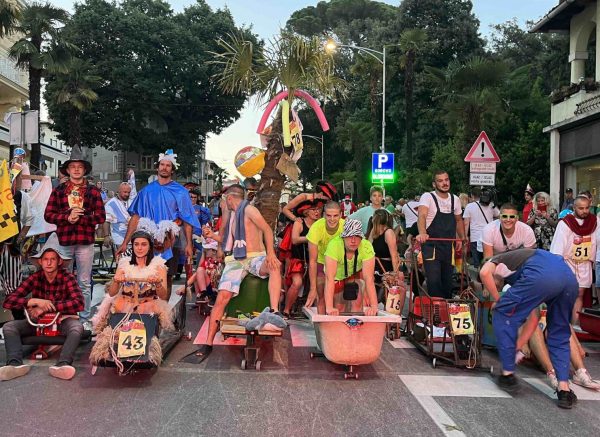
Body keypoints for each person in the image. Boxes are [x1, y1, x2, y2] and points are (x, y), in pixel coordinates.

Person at [479, 249, 578, 409]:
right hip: (568, 278)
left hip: (544, 274)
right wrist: (517, 347)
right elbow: (533, 319)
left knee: (501, 313)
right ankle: (564, 390)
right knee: (559, 333)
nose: (493, 285)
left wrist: (498, 300)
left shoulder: (498, 260)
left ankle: (507, 376)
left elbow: (484, 273)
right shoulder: (522, 271)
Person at [193, 184, 282, 361]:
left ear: (229, 198)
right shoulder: (234, 216)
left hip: (256, 257)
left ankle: (274, 311)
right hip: (236, 260)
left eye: (224, 200)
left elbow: (267, 229)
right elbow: (228, 240)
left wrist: (271, 254)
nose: (223, 204)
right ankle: (208, 342)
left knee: (274, 266)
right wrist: (211, 235)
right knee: (221, 298)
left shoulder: (249, 210)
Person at [0, 234, 84, 381]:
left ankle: (63, 364)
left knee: (76, 328)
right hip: (38, 322)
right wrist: (32, 301)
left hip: (60, 321)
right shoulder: (35, 277)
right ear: (40, 261)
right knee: (9, 327)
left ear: (59, 261)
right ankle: (14, 364)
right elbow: (9, 301)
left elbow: (79, 303)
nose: (49, 263)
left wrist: (47, 306)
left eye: (53, 259)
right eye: (45, 259)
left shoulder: (67, 277)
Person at [117, 150, 200, 297]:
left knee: (166, 277)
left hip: (171, 239)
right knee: (145, 276)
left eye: (168, 165)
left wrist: (189, 244)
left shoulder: (181, 192)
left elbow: (187, 219)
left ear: (172, 170)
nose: (164, 168)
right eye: (162, 165)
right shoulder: (146, 191)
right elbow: (135, 217)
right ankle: (148, 307)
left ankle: (163, 309)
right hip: (148, 240)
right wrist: (125, 242)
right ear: (157, 167)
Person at [90, 230, 172, 367]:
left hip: (147, 303)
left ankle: (146, 351)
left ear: (150, 247)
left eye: (144, 244)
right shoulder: (124, 264)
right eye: (136, 244)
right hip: (125, 302)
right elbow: (112, 293)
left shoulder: (159, 266)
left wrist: (157, 283)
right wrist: (116, 281)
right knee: (113, 325)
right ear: (132, 246)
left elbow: (163, 296)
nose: (139, 248)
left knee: (146, 323)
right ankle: (109, 351)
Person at [44, 146, 106, 328]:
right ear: (68, 170)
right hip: (64, 241)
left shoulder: (93, 191)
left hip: (85, 241)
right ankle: (65, 317)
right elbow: (48, 215)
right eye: (73, 167)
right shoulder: (59, 190)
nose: (76, 170)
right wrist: (66, 218)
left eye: (80, 167)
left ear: (84, 170)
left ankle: (85, 320)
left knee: (84, 282)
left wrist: (81, 219)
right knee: (63, 280)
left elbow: (101, 217)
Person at [416, 171, 465, 299]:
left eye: (446, 180)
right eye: (440, 181)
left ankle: (447, 307)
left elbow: (459, 220)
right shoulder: (428, 197)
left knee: (447, 281)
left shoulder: (455, 199)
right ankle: (436, 308)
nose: (444, 183)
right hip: (431, 245)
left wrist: (461, 238)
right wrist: (422, 233)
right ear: (434, 184)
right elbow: (422, 215)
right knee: (434, 280)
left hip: (448, 246)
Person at [550, 195, 598, 325]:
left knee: (580, 294)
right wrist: (557, 265)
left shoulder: (594, 222)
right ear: (574, 208)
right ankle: (562, 324)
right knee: (566, 294)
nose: (585, 211)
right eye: (581, 208)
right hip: (568, 262)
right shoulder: (565, 223)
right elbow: (558, 245)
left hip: (584, 263)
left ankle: (575, 324)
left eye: (587, 208)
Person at [324, 219, 378, 316]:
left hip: (355, 273)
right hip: (336, 277)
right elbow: (330, 279)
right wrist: (329, 307)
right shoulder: (334, 245)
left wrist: (374, 306)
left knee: (358, 303)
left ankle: (356, 322)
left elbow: (369, 279)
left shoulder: (366, 246)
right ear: (343, 237)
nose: (353, 241)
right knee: (338, 307)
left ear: (361, 238)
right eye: (350, 236)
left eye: (357, 236)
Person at [282, 200, 321, 318]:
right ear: (306, 211)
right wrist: (311, 238)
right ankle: (286, 310)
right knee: (297, 283)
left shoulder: (320, 224)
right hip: (298, 260)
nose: (317, 212)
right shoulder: (299, 222)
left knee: (320, 284)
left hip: (315, 260)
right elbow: (294, 239)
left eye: (318, 209)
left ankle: (315, 311)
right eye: (313, 209)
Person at [304, 201, 345, 314]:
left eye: (335, 215)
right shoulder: (316, 228)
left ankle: (337, 322)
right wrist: (312, 289)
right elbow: (312, 261)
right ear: (324, 215)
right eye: (329, 215)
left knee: (339, 297)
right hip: (322, 262)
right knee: (320, 293)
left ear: (341, 215)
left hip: (339, 263)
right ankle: (321, 321)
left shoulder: (346, 226)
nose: (332, 219)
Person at [463, 187, 499, 267]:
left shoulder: (469, 206)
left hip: (475, 238)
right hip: (489, 237)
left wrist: (465, 236)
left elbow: (466, 223)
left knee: (478, 264)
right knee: (489, 262)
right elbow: (499, 216)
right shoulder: (491, 205)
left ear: (472, 195)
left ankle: (479, 274)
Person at [366, 209, 400, 288]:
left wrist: (395, 274)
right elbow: (368, 249)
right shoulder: (375, 231)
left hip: (383, 267)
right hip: (377, 265)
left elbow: (394, 255)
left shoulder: (387, 232)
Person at [104, 182, 133, 249]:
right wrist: (106, 236)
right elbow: (106, 221)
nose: (127, 194)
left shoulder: (132, 201)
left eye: (128, 192)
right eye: (125, 192)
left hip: (133, 236)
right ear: (119, 191)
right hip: (119, 238)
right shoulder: (110, 204)